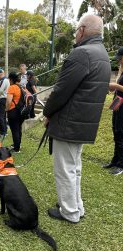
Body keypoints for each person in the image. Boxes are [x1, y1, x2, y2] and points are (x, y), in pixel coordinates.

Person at [43, 15, 111, 223]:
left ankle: (69, 211)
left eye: (75, 30)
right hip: (83, 123)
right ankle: (76, 206)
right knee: (74, 167)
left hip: (69, 123)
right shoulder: (102, 54)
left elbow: (61, 91)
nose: (75, 34)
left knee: (65, 169)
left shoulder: (81, 53)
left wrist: (47, 113)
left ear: (81, 30)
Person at [104, 47, 123, 175]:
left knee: (121, 134)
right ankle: (115, 160)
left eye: (120, 58)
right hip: (118, 105)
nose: (119, 61)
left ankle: (121, 165)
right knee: (116, 132)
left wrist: (116, 86)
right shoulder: (121, 71)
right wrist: (114, 89)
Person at [6, 72, 24, 153]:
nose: (9, 81)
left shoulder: (12, 87)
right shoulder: (21, 86)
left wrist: (6, 109)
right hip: (21, 111)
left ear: (11, 79)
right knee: (18, 128)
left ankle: (16, 149)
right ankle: (18, 144)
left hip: (13, 111)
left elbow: (9, 101)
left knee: (14, 130)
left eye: (9, 79)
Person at [0, 68, 10, 138]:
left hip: (2, 99)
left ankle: (3, 132)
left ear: (0, 74)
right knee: (3, 116)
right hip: (5, 99)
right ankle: (5, 131)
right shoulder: (6, 80)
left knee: (0, 116)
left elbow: (0, 91)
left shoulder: (3, 80)